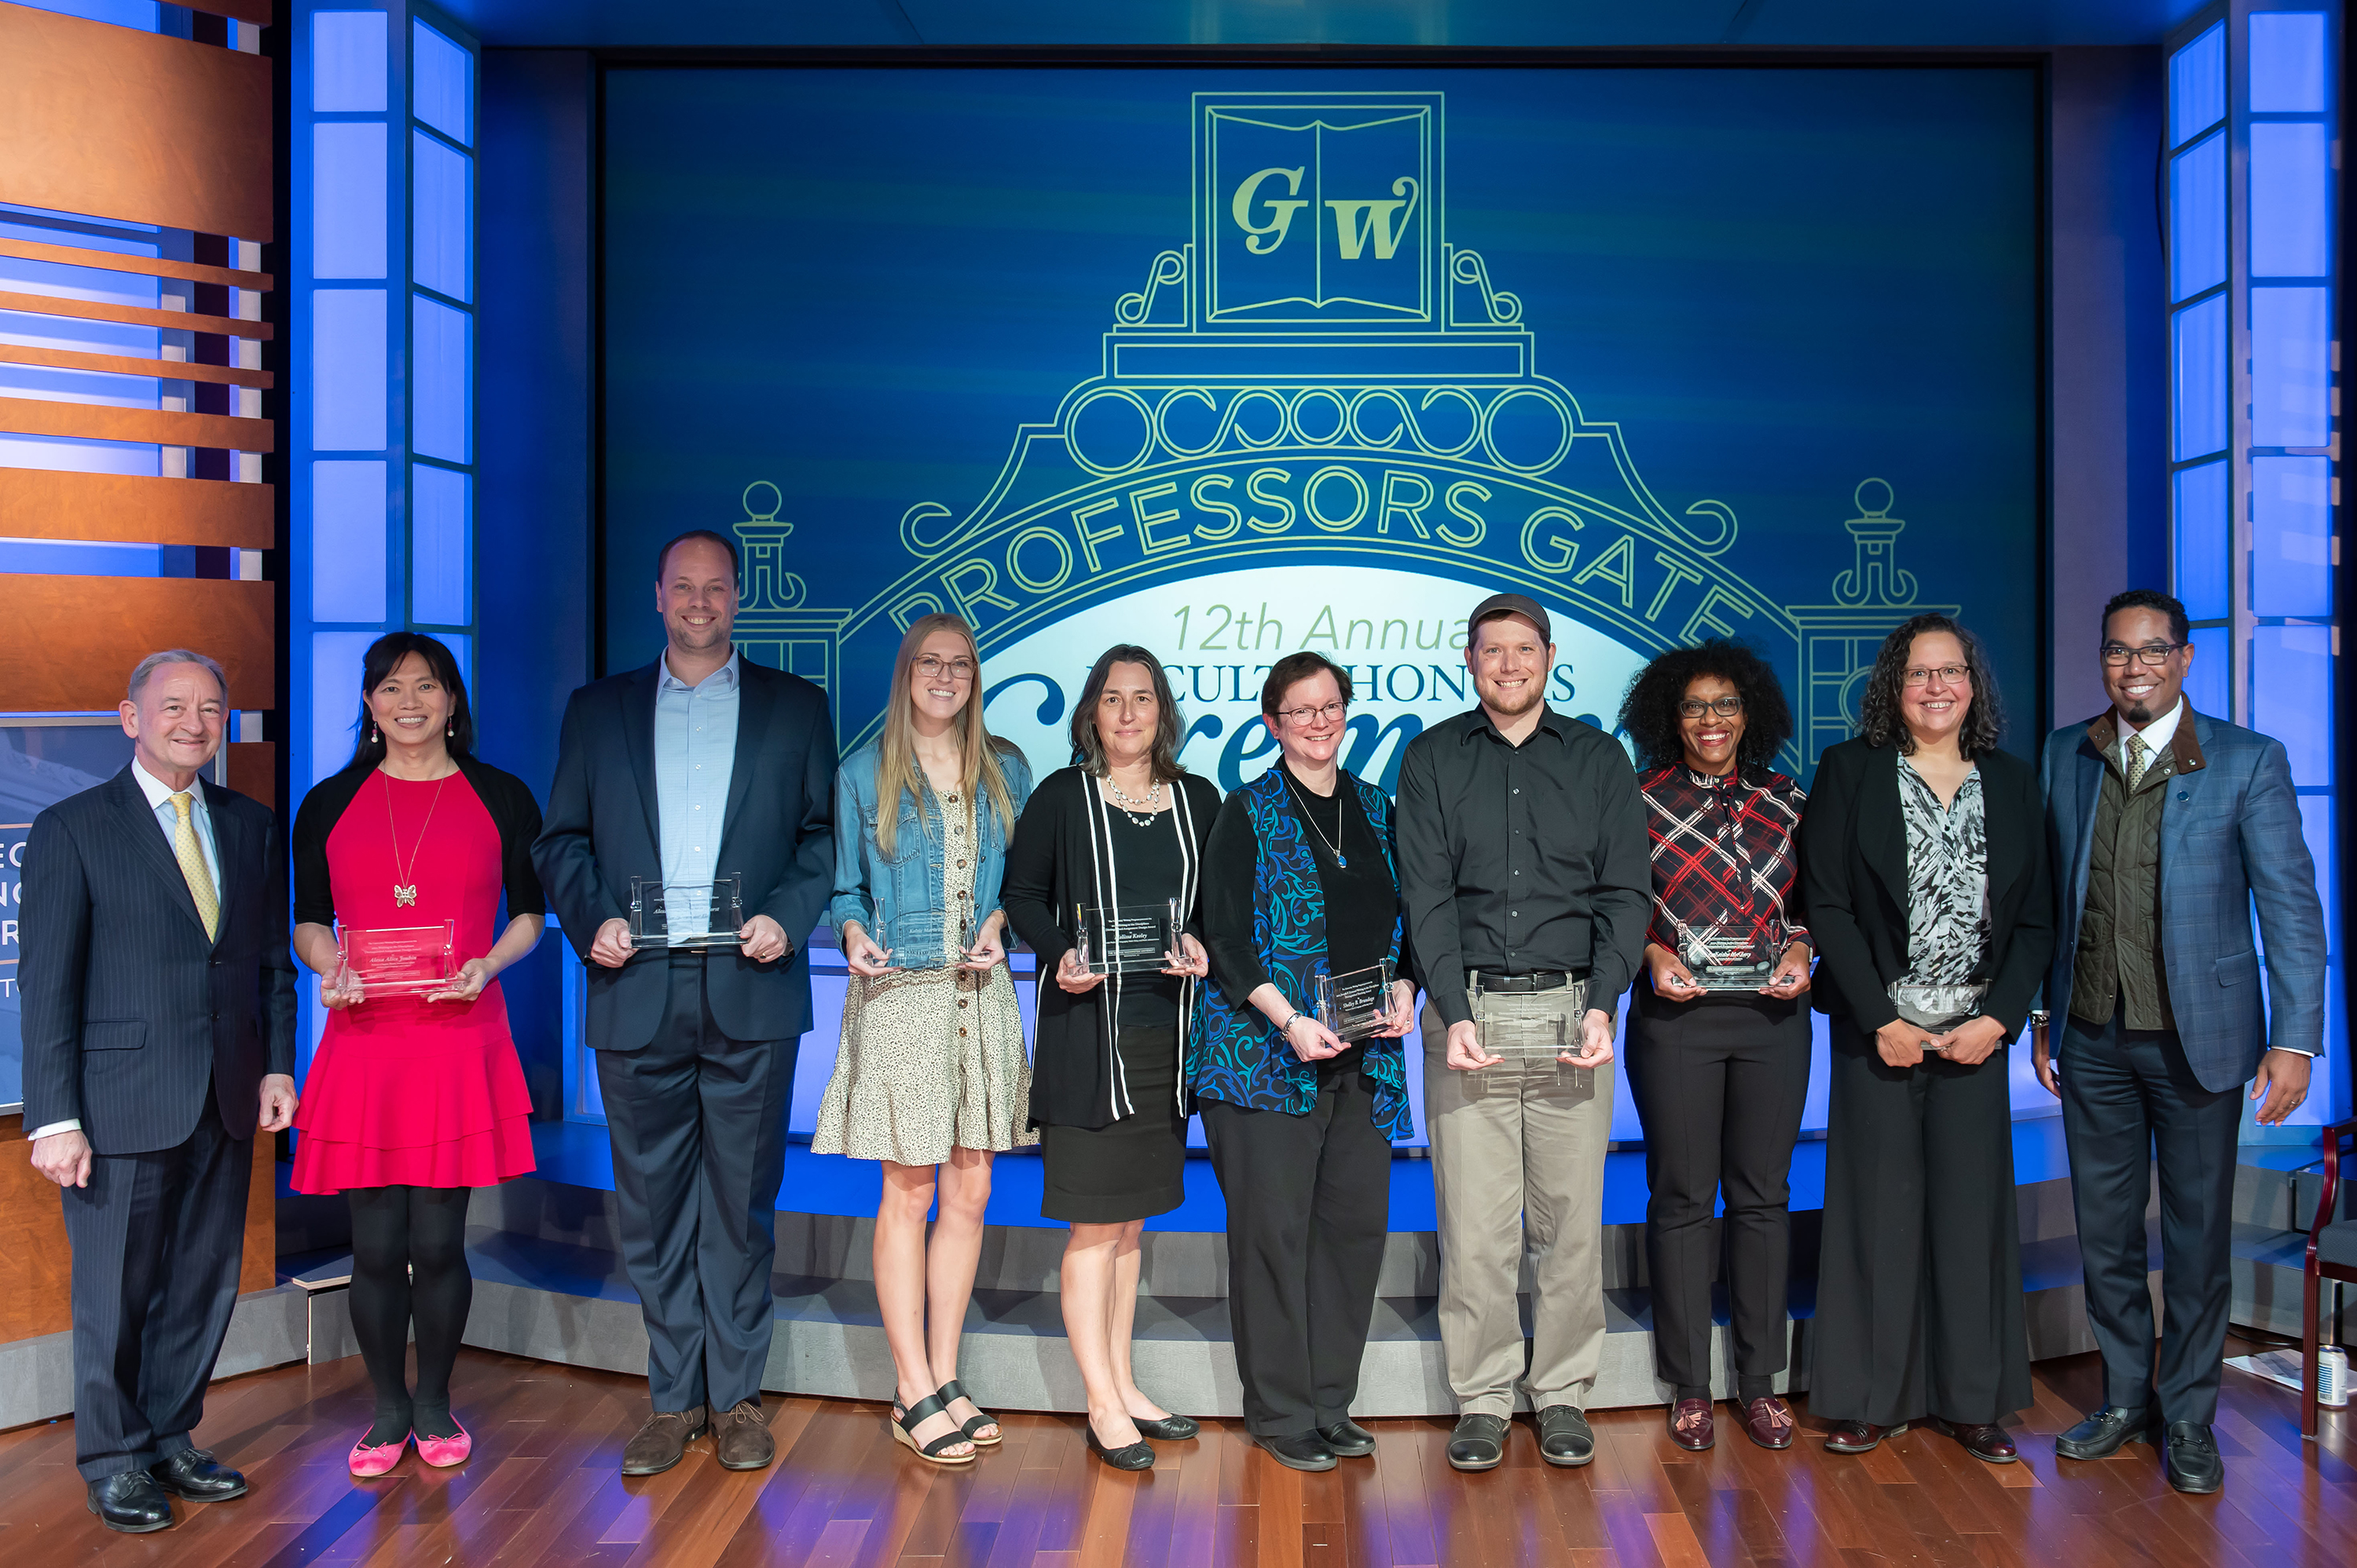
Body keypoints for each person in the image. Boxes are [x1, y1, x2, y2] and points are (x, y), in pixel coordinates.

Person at [533, 529, 837, 1476]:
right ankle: (674, 1398)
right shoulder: (599, 709)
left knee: (741, 1208)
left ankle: (738, 1395)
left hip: (751, 983)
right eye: (684, 587)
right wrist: (591, 923)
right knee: (653, 1208)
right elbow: (561, 843)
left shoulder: (797, 706)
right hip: (637, 987)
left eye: (716, 588)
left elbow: (823, 839)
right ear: (656, 595)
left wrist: (788, 917)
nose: (700, 601)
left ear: (738, 598)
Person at [2038, 588, 2324, 1494]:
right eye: (2119, 652)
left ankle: (2190, 1413)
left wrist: (2297, 1041)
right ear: (2103, 660)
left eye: (2153, 651)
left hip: (2201, 1042)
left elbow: (2291, 909)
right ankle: (2127, 1396)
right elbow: (2049, 899)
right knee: (2108, 1235)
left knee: (2197, 1241)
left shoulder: (2248, 760)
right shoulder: (2066, 754)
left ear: (2186, 658)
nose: (2135, 668)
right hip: (2092, 1037)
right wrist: (2046, 1016)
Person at [20, 650, 298, 1533]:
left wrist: (278, 1065)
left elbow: (266, 965)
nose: (194, 721)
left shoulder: (251, 824)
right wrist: (54, 1115)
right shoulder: (72, 827)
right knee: (114, 1290)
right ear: (130, 716)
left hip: (224, 1092)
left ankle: (170, 1433)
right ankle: (112, 1457)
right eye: (173, 705)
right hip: (117, 1099)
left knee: (202, 1280)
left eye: (211, 707)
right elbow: (47, 982)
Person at [1395, 594, 1648, 1473]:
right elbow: (1424, 896)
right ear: (1469, 661)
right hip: (1468, 1017)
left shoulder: (1598, 759)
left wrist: (1604, 1003)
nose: (1509, 664)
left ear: (1549, 657)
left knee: (1572, 1222)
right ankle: (1484, 1397)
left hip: (1574, 1013)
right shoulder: (1429, 758)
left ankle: (1566, 1392)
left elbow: (1624, 894)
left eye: (1524, 649)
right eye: (1492, 651)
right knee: (1474, 1226)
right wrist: (1453, 1013)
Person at [288, 632, 544, 1476]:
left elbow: (531, 914)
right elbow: (309, 921)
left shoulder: (501, 795)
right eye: (391, 687)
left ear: (451, 700)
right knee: (372, 1245)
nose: (410, 702)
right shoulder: (328, 802)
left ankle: (434, 1401)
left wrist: (489, 965)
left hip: (457, 1039)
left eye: (427, 686)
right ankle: (386, 1409)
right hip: (365, 1044)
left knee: (437, 1242)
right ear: (368, 703)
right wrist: (334, 966)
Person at [1798, 613, 2051, 1464]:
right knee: (1878, 1215)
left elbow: (2040, 921)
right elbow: (1826, 903)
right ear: (1892, 689)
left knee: (1971, 1217)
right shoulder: (1850, 772)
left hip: (1977, 1033)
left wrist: (1999, 1020)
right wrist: (1879, 1018)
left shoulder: (2014, 783)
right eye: (1918, 674)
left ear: (1973, 685)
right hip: (1883, 1032)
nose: (1936, 687)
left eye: (1951, 672)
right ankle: (1872, 1398)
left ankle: (1972, 1401)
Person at [814, 614, 1036, 1467]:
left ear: (975, 677)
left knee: (970, 1194)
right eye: (930, 663)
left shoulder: (1006, 768)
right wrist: (851, 930)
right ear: (906, 672)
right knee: (908, 1195)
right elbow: (842, 888)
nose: (946, 676)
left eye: (961, 665)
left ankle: (945, 1375)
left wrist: (1003, 918)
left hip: (981, 998)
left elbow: (1020, 882)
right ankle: (909, 1386)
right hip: (901, 996)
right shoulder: (863, 772)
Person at [1193, 652, 1418, 1475]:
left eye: (1330, 707)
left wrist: (1406, 988)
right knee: (1274, 1238)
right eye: (1300, 711)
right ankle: (1282, 1412)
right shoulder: (1244, 812)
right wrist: (1288, 1020)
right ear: (1271, 723)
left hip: (1364, 1058)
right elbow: (1222, 936)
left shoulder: (1378, 807)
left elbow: (1407, 921)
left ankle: (1331, 1402)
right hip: (1264, 1058)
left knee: (1353, 1232)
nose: (1318, 722)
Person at [1003, 645, 1219, 1470]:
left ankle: (1124, 1383)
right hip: (1087, 1038)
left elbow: (1212, 909)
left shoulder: (1199, 799)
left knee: (1130, 1226)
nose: (1128, 714)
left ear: (1163, 711)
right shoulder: (1062, 796)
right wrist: (1058, 950)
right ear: (1091, 711)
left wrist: (1199, 941)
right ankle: (1100, 1401)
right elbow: (1022, 895)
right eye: (1111, 699)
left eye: (1143, 699)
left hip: (1164, 1039)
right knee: (1094, 1227)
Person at [1615, 641, 1814, 1453]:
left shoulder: (1787, 797)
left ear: (1750, 713)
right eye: (1696, 706)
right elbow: (1620, 904)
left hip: (1771, 1018)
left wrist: (1800, 947)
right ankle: (1690, 1385)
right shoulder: (1635, 799)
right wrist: (1651, 956)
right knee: (1683, 1198)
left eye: (1725, 704)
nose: (1711, 720)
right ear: (1671, 716)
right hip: (1678, 1020)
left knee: (1764, 1198)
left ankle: (1762, 1385)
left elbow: (1810, 899)